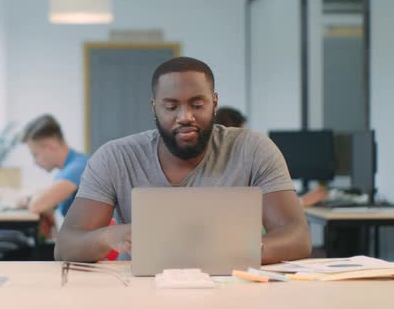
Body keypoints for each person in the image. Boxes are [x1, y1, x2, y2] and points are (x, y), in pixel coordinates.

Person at [55, 56, 311, 264]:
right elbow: (66, 245)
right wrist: (110, 235)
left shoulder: (254, 149)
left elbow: (297, 236)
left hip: (234, 288)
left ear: (214, 102)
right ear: (154, 107)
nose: (185, 116)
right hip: (140, 293)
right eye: (171, 107)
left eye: (197, 104)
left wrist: (236, 252)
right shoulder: (115, 157)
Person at [215, 106, 329, 207]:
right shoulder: (230, 167)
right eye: (242, 132)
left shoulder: (249, 159)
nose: (245, 137)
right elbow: (251, 207)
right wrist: (303, 201)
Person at [20, 114, 88, 222]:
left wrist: (28, 200)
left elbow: (37, 205)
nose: (35, 162)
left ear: (50, 145)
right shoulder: (72, 166)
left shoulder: (78, 167)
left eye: (35, 154)